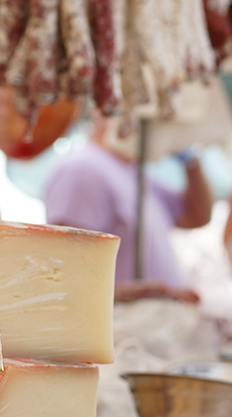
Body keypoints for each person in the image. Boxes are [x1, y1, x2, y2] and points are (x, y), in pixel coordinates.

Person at [43, 111, 213, 303]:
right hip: (119, 329)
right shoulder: (81, 170)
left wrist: (190, 159)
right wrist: (143, 296)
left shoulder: (134, 172)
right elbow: (65, 278)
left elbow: (196, 216)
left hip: (149, 325)